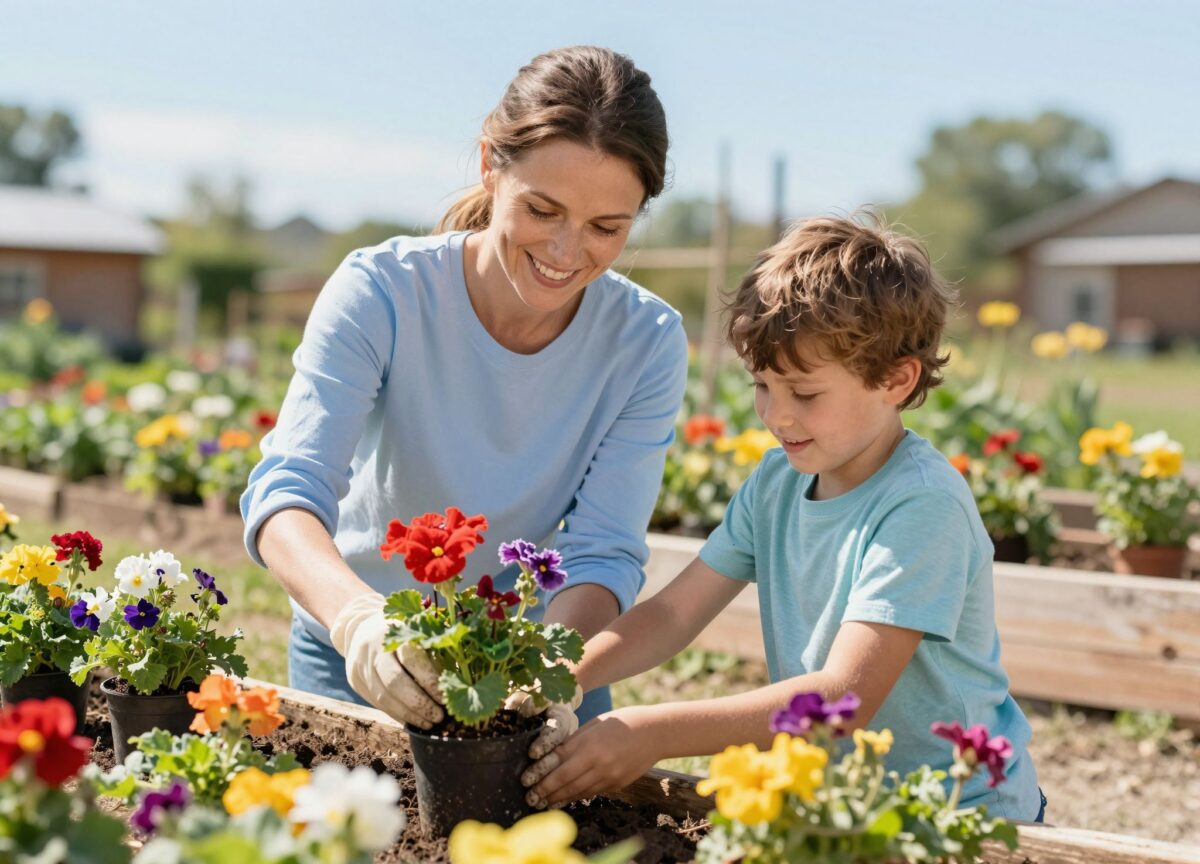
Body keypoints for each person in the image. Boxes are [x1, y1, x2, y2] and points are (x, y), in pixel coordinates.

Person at [240, 46, 687, 754]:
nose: (568, 253)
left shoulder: (646, 340)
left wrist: (544, 671)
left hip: (545, 655)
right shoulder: (382, 293)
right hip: (366, 650)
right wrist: (358, 622)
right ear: (490, 165)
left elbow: (604, 552)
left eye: (608, 227)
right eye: (543, 210)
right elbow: (286, 493)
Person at [524, 214, 1045, 822]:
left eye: (805, 393)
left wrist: (651, 732)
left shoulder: (921, 504)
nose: (776, 415)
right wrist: (566, 672)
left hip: (962, 811)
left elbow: (841, 698)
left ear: (895, 381)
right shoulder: (776, 483)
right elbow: (671, 614)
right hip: (844, 804)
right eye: (762, 385)